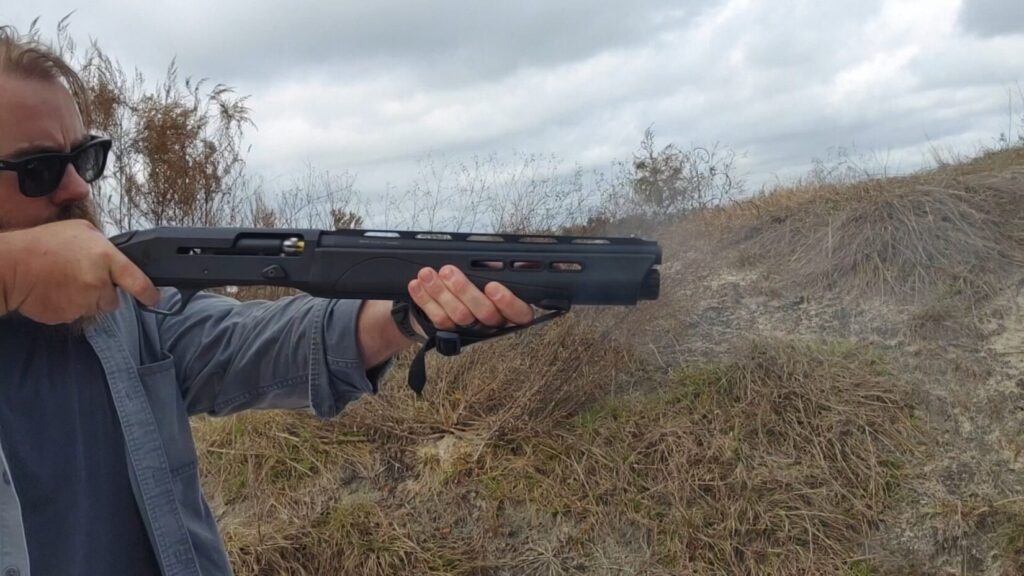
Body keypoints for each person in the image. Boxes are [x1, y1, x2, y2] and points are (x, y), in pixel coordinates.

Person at [0, 27, 535, 576]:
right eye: (38, 170)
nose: (78, 190)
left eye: (85, 159)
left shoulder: (119, 312)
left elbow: (242, 345)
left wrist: (407, 312)